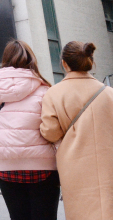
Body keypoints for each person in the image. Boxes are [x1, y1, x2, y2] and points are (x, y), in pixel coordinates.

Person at [0, 40, 59, 220]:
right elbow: (54, 131)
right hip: (43, 166)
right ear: (31, 60)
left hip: (7, 167)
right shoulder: (44, 89)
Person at [40, 41, 113, 220]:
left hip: (75, 166)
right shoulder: (109, 93)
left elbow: (50, 132)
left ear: (64, 64)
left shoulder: (54, 93)